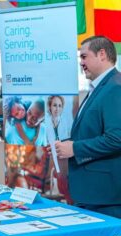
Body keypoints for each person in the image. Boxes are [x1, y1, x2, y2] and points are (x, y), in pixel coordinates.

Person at [54, 36, 121, 218]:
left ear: (101, 55)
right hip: (92, 194)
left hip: (105, 198)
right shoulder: (99, 87)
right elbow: (94, 131)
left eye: (84, 57)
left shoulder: (115, 88)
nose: (81, 62)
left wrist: (74, 148)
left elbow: (116, 139)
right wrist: (66, 145)